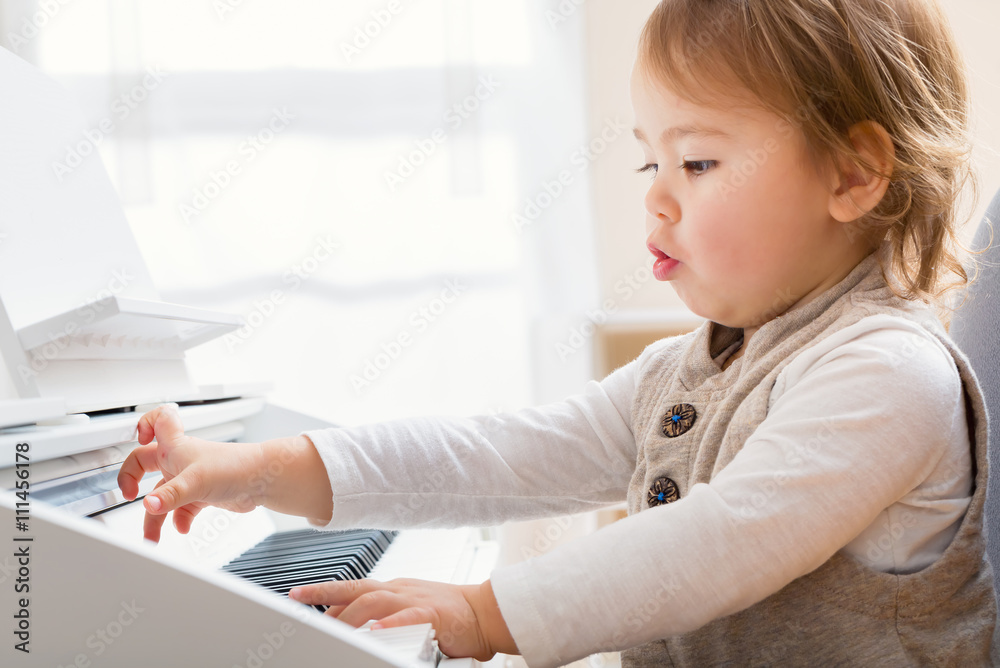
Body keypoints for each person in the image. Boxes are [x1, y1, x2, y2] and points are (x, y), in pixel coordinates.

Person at [117, 0, 998, 665]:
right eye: (651, 160)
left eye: (698, 162)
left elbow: (716, 545)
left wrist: (481, 613)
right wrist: (265, 470)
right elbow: (504, 455)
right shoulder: (691, 371)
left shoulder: (887, 376)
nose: (656, 194)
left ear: (853, 174)